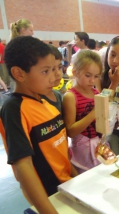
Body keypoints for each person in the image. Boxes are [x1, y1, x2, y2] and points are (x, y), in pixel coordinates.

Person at [0, 36, 77, 213]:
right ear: (19, 73)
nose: (55, 75)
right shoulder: (14, 108)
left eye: (55, 69)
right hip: (50, 198)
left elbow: (60, 152)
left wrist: (76, 179)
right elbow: (23, 166)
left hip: (68, 188)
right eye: (46, 71)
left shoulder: (46, 102)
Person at [62, 50, 104, 173]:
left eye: (96, 76)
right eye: (88, 75)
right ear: (75, 72)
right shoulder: (70, 97)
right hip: (82, 150)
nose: (92, 81)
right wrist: (93, 114)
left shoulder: (96, 93)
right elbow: (71, 131)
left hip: (99, 145)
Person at [40, 44, 64, 114]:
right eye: (52, 69)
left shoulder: (57, 95)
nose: (58, 73)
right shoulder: (37, 98)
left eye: (59, 67)